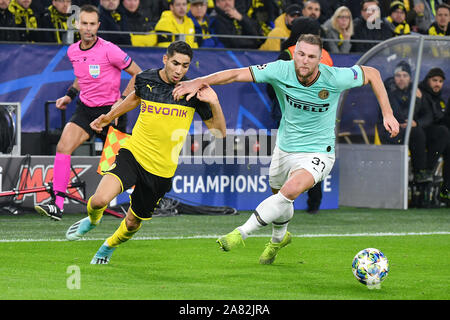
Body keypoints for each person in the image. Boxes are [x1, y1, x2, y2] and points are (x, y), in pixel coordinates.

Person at [173, 34, 399, 264]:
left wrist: (388, 113)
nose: (304, 60)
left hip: (319, 151)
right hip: (285, 148)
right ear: (294, 54)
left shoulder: (334, 77)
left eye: (311, 56)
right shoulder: (280, 69)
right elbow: (234, 74)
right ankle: (278, 239)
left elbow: (373, 74)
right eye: (300, 54)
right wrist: (197, 81)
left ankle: (240, 233)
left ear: (320, 59)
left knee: (290, 190)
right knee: (280, 198)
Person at [65, 41, 226, 265]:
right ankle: (93, 220)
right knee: (99, 200)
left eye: (185, 66)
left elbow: (219, 133)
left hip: (161, 170)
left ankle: (108, 245)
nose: (179, 70)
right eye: (175, 63)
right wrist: (109, 117)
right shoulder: (146, 79)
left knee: (132, 223)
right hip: (133, 153)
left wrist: (215, 102)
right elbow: (134, 98)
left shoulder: (193, 93)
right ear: (165, 59)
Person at [34, 4, 142, 221]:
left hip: (111, 114)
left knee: (117, 166)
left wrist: (120, 103)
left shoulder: (110, 49)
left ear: (98, 25)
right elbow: (81, 77)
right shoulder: (72, 51)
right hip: (85, 110)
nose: (89, 28)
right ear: (77, 25)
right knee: (64, 146)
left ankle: (137, 204)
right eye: (85, 23)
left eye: (93, 24)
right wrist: (69, 95)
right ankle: (57, 204)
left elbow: (137, 74)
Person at [275, 16, 334, 214]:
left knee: (287, 158)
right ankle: (314, 204)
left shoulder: (288, 53)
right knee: (313, 160)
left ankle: (281, 204)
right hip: (320, 115)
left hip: (291, 113)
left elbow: (273, 84)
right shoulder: (325, 55)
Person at [376, 61, 431, 184]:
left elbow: (428, 115)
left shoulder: (416, 90)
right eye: (398, 75)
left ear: (410, 78)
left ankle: (420, 174)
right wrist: (416, 100)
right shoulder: (389, 91)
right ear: (394, 77)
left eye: (405, 75)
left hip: (409, 132)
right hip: (389, 132)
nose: (401, 79)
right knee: (416, 133)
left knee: (420, 131)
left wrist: (417, 123)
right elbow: (400, 115)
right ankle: (419, 172)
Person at [417, 68, 450, 203]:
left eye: (441, 81)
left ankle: (446, 190)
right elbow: (428, 118)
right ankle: (427, 170)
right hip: (421, 135)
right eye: (434, 80)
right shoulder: (419, 94)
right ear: (428, 80)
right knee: (443, 132)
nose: (438, 84)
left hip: (436, 136)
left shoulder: (439, 99)